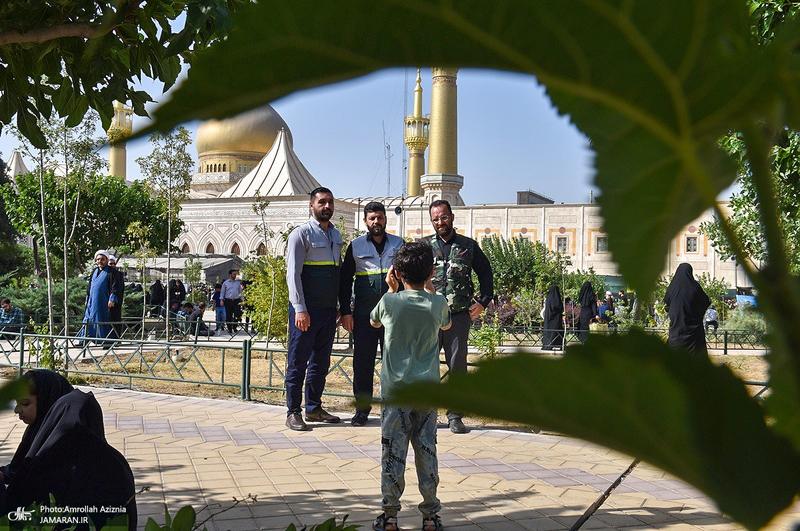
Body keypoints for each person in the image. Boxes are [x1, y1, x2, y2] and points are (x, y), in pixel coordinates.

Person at [369, 242, 450, 531]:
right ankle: (430, 516)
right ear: (430, 271)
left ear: (397, 272)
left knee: (393, 452)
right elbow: (445, 326)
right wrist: (430, 289)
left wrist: (392, 290)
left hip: (395, 392)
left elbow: (374, 322)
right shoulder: (438, 303)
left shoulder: (390, 302)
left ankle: (390, 516)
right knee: (427, 450)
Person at [0, 370, 137, 530]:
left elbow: (20, 507)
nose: (17, 410)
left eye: (25, 403)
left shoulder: (50, 466)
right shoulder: (117, 465)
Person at [422, 199, 493, 434]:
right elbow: (409, 274)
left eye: (444, 217)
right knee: (425, 365)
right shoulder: (423, 247)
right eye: (435, 219)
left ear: (452, 217)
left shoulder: (467, 246)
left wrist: (483, 302)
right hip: (429, 317)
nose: (440, 222)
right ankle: (425, 413)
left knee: (457, 366)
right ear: (431, 221)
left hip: (458, 316)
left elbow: (485, 273)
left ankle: (455, 415)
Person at [338, 201, 404, 426]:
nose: (377, 222)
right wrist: (346, 312)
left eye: (380, 217)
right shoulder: (355, 246)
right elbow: (345, 282)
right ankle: (362, 411)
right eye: (372, 218)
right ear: (365, 221)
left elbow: (407, 280)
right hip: (365, 316)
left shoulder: (399, 243)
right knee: (362, 363)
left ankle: (393, 409)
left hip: (393, 316)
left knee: (393, 364)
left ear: (386, 219)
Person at [284, 187, 344, 431]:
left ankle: (314, 408)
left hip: (328, 311)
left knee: (321, 361)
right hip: (305, 312)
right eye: (322, 202)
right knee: (298, 361)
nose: (326, 206)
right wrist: (300, 308)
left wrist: (340, 306)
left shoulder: (336, 235)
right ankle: (293, 411)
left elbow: (337, 273)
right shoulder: (301, 235)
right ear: (312, 205)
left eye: (330, 202)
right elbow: (293, 274)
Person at [664, 263, 711, 354]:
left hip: (676, 326)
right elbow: (705, 302)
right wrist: (697, 312)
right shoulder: (695, 287)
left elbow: (667, 300)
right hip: (693, 328)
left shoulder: (672, 287)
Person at [81, 250, 120, 341]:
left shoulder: (112, 272)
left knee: (103, 320)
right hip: (92, 301)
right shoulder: (94, 271)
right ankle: (83, 340)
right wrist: (87, 298)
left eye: (102, 259)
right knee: (87, 319)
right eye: (98, 259)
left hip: (103, 301)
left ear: (106, 260)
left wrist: (112, 299)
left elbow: (115, 286)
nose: (99, 261)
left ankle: (106, 341)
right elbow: (90, 286)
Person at [107, 255, 126, 338]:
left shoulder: (118, 274)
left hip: (115, 302)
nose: (113, 266)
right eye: (111, 264)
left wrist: (113, 299)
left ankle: (116, 338)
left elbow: (117, 288)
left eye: (114, 264)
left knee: (115, 319)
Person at [541, 284, 564, 350]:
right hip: (555, 319)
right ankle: (557, 344)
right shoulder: (556, 298)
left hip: (548, 318)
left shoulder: (548, 298)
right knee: (556, 331)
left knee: (549, 331)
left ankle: (548, 344)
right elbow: (558, 307)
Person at [221, 269, 243, 334]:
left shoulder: (237, 283)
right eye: (233, 274)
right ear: (230, 275)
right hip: (228, 300)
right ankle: (229, 328)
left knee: (237, 314)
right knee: (229, 315)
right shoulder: (225, 283)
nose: (235, 276)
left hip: (236, 300)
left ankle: (235, 327)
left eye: (235, 274)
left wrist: (242, 300)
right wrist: (221, 300)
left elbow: (240, 292)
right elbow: (222, 292)